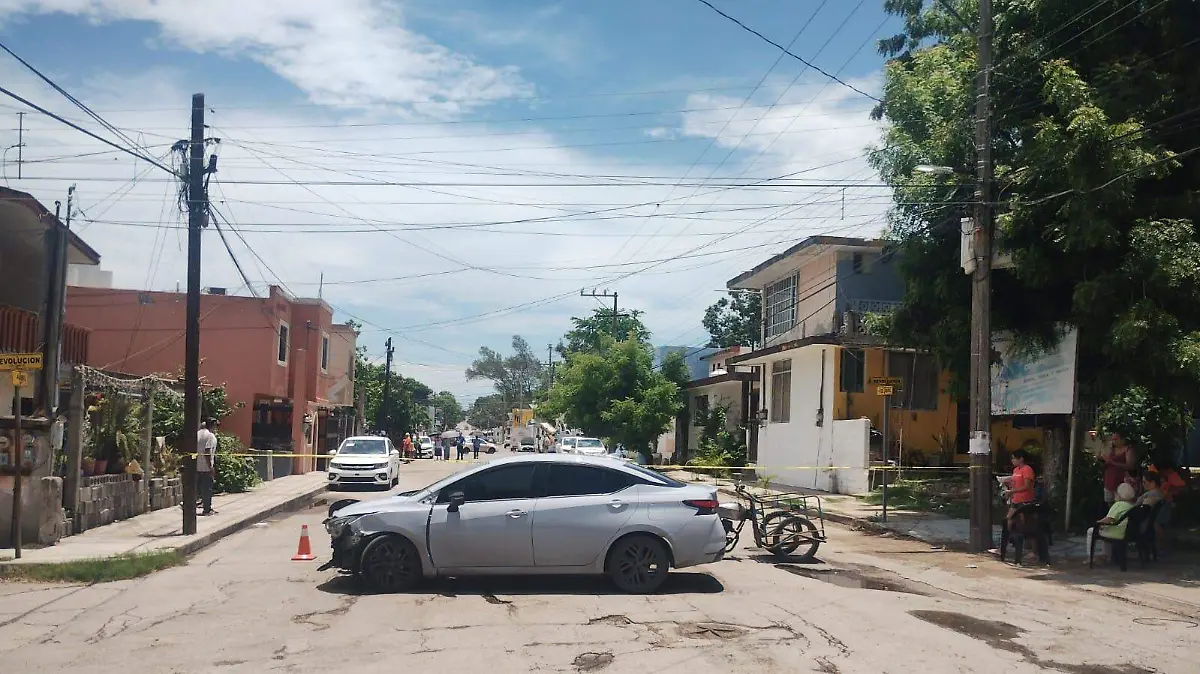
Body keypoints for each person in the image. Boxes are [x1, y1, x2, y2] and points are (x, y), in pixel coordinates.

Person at [1089, 482, 1137, 562]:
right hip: (1128, 532)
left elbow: (1109, 519)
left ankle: (1091, 556)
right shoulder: (1133, 506)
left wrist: (1097, 522)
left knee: (1091, 531)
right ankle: (1108, 555)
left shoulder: (1118, 505)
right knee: (1105, 528)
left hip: (1118, 533)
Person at [1005, 448, 1037, 530]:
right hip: (1016, 499)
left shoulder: (1027, 469)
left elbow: (1026, 486)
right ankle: (1012, 537)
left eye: (1014, 458)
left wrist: (1012, 491)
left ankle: (1025, 539)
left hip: (1025, 500)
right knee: (1009, 518)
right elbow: (1015, 483)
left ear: (1021, 459)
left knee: (1024, 522)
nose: (1012, 460)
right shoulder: (1015, 470)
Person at [1102, 432, 1136, 504]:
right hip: (1109, 481)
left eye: (1116, 439)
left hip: (1121, 481)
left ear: (1122, 439)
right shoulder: (1112, 449)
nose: (1114, 441)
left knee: (1120, 503)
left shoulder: (1128, 449)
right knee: (1109, 503)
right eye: (1113, 439)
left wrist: (1113, 463)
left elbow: (1130, 466)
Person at [196, 418, 219, 516]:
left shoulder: (198, 433)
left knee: (197, 488)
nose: (216, 428)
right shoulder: (210, 436)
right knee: (207, 489)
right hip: (206, 467)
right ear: (212, 425)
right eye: (216, 426)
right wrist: (210, 467)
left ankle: (189, 505)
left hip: (196, 465)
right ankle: (207, 509)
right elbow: (207, 451)